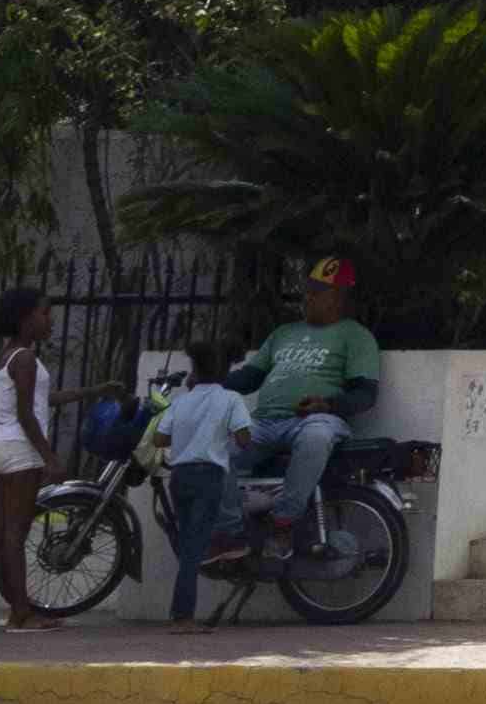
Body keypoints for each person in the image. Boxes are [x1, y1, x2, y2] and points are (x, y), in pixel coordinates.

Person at [225, 260, 382, 544]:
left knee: (316, 437)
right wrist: (211, 381)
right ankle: (231, 533)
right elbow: (250, 377)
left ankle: (283, 520)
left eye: (318, 292)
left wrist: (327, 405)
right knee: (216, 449)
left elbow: (365, 395)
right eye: (308, 290)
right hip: (262, 422)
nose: (308, 297)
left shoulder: (356, 336)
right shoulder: (283, 333)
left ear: (340, 298)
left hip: (314, 420)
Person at [147, 345, 255, 625]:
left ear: (195, 371)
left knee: (188, 544)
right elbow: (244, 439)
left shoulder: (182, 401)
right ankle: (182, 618)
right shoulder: (231, 399)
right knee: (195, 549)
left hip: (180, 478)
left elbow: (159, 439)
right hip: (209, 477)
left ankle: (180, 613)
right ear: (224, 372)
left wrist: (189, 434)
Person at [0, 288, 53, 629]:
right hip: (20, 450)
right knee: (15, 533)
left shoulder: (7, 355)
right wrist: (50, 457)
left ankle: (20, 610)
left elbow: (40, 400)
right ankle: (21, 612)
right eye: (45, 313)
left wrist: (91, 393)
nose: (50, 320)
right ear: (25, 318)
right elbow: (27, 415)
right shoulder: (26, 358)